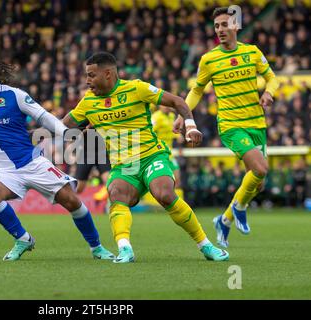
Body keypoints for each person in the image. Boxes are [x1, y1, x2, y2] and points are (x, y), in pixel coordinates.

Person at [63, 52, 229, 263]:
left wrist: (190, 126)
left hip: (151, 156)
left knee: (164, 194)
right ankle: (125, 250)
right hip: (124, 166)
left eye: (91, 75)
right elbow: (61, 126)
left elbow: (177, 101)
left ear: (108, 74)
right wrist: (28, 135)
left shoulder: (137, 88)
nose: (87, 81)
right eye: (86, 75)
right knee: (116, 193)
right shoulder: (87, 103)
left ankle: (206, 246)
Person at [0, 53, 114, 261]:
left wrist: (66, 133)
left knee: (72, 201)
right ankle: (23, 239)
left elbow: (43, 117)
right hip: (3, 171)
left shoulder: (15, 96)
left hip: (32, 163)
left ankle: (96, 247)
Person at [174, 7, 279, 248]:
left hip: (257, 124)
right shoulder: (209, 59)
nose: (220, 30)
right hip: (232, 125)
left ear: (236, 26)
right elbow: (197, 89)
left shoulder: (252, 52)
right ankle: (240, 208)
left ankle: (225, 219)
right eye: (217, 26)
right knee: (261, 168)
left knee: (258, 181)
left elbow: (272, 77)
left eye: (224, 25)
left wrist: (268, 93)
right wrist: (183, 114)